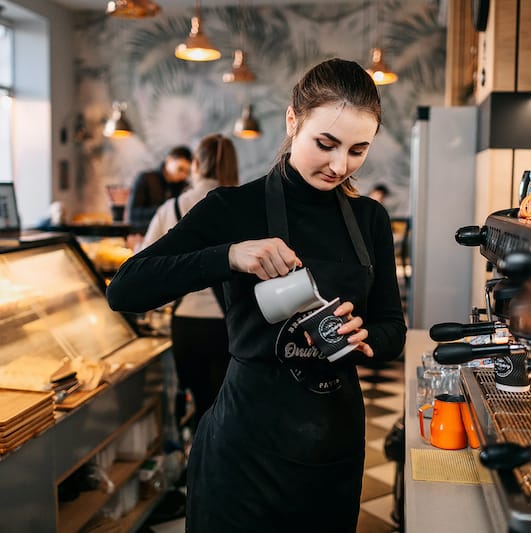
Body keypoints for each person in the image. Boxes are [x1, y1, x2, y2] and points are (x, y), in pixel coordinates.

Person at [107, 58, 406, 532]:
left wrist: (364, 336)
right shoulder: (233, 208)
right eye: (325, 144)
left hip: (333, 450)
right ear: (292, 121)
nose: (339, 165)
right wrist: (228, 256)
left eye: (357, 150)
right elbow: (126, 289)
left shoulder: (369, 219)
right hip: (244, 454)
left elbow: (393, 330)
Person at [142, 133, 239, 430]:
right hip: (230, 324)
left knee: (199, 406)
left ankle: (196, 454)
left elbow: (142, 265)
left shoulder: (171, 208)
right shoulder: (240, 206)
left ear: (196, 164)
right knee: (227, 407)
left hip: (186, 323)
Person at [126, 145, 192, 235]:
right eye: (180, 169)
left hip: (169, 235)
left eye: (187, 172)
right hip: (143, 234)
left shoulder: (183, 186)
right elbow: (133, 214)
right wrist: (164, 210)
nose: (183, 175)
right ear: (169, 160)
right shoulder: (145, 178)